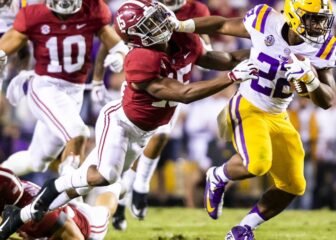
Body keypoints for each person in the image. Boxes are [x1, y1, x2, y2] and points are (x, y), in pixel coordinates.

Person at [0, 1, 258, 238]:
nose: (159, 26)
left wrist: (260, 53)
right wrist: (232, 78)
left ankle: (23, 214)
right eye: (149, 25)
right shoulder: (140, 58)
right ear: (137, 37)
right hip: (121, 124)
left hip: (145, 130)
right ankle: (40, 200)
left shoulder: (184, 38)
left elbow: (223, 59)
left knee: (108, 181)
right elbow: (184, 94)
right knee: (104, 175)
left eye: (157, 18)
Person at [170, 0, 336, 238]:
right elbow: (221, 25)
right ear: (293, 16)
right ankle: (218, 176)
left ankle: (243, 229)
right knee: (258, 164)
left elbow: (328, 100)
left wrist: (311, 80)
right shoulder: (265, 20)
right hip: (248, 105)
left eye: (322, 20)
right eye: (313, 19)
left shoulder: (324, 48)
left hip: (279, 115)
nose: (319, 27)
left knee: (294, 184)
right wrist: (180, 25)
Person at [0, 0, 129, 177]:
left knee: (37, 161)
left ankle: (2, 179)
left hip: (75, 90)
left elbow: (116, 43)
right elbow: (7, 44)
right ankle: (67, 195)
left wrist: (120, 55)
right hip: (46, 86)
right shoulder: (34, 14)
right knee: (78, 133)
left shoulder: (92, 9)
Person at [116, 0, 213, 226]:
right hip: (148, 81)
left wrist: (203, 49)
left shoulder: (195, 10)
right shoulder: (144, 8)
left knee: (159, 135)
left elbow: (206, 48)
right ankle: (121, 199)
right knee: (130, 146)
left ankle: (140, 186)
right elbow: (128, 39)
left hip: (175, 81)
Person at [0, 167, 110, 240]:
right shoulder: (13, 194)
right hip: (64, 209)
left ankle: (117, 187)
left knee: (105, 210)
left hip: (88, 224)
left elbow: (76, 238)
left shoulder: (36, 216)